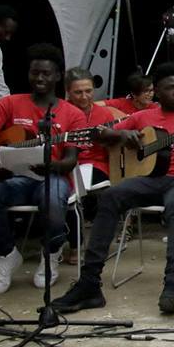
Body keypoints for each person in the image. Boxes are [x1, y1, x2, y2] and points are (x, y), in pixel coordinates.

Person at [50, 62, 174, 314]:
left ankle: (173, 285)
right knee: (110, 196)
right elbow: (99, 135)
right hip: (151, 178)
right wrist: (121, 136)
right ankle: (89, 284)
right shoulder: (143, 117)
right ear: (156, 92)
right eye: (170, 88)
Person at [0, 44, 86, 293]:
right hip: (13, 177)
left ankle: (50, 254)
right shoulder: (9, 103)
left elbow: (71, 159)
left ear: (58, 76)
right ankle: (7, 254)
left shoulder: (72, 113)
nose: (39, 78)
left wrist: (52, 165)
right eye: (34, 73)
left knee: (52, 198)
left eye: (46, 73)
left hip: (51, 177)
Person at [62, 67, 115, 263]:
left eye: (89, 91)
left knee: (107, 195)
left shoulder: (104, 114)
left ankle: (98, 245)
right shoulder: (61, 111)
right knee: (68, 196)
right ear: (68, 91)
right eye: (78, 92)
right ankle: (75, 245)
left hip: (98, 165)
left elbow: (114, 148)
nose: (85, 97)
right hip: (69, 165)